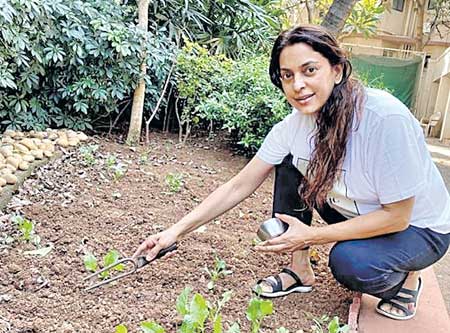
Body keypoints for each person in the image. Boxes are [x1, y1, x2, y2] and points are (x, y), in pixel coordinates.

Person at [133, 25, 450, 321]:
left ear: (336, 71)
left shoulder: (384, 119)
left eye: (309, 70)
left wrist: (312, 235)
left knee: (350, 262)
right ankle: (300, 270)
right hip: (359, 210)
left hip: (418, 229)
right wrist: (175, 231)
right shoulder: (292, 129)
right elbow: (239, 184)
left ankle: (406, 278)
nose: (298, 85)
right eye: (287, 75)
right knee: (288, 162)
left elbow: (397, 217)